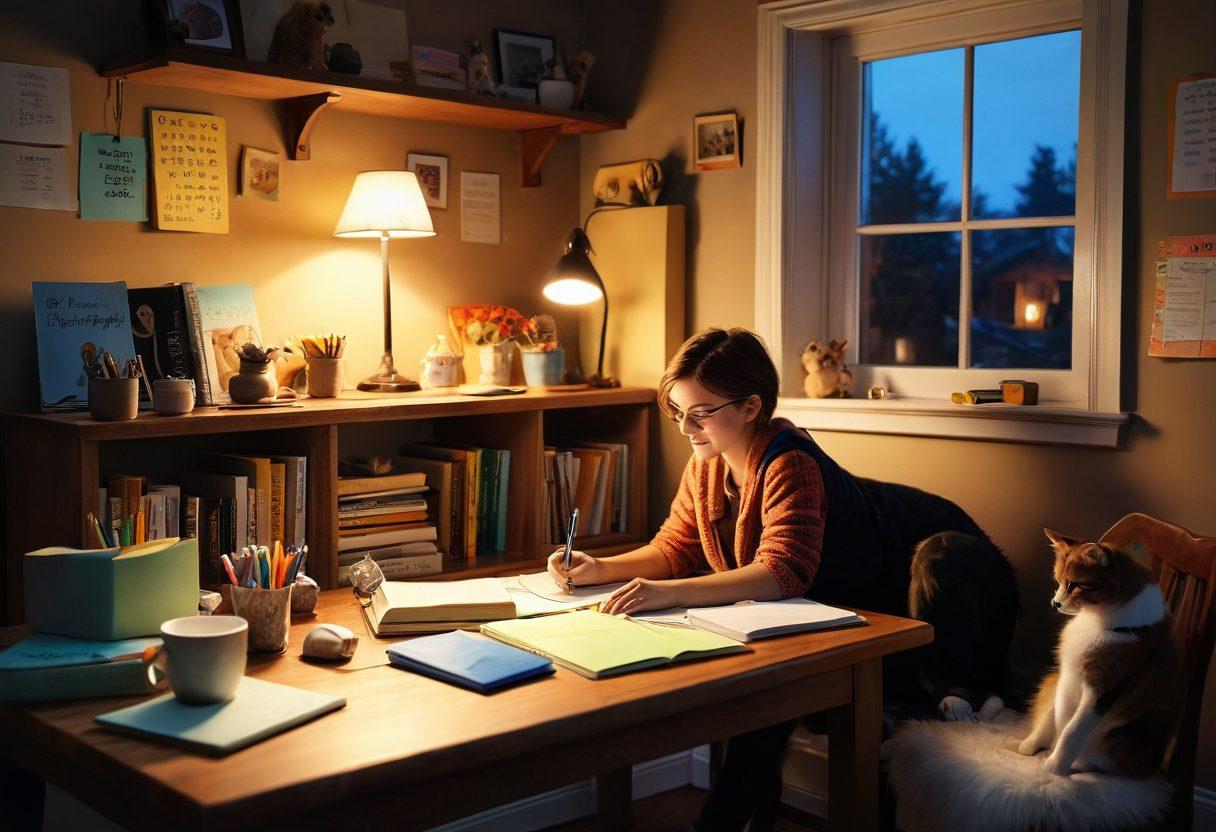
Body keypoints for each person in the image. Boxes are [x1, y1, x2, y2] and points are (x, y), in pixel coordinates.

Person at [547, 327, 1018, 832]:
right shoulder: (706, 463)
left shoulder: (790, 461)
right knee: (760, 703)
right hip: (815, 612)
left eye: (700, 412)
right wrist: (601, 567)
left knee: (772, 699)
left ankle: (957, 693)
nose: (685, 427)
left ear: (751, 407)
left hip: (907, 612)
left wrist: (665, 593)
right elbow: (674, 548)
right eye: (676, 410)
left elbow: (782, 572)